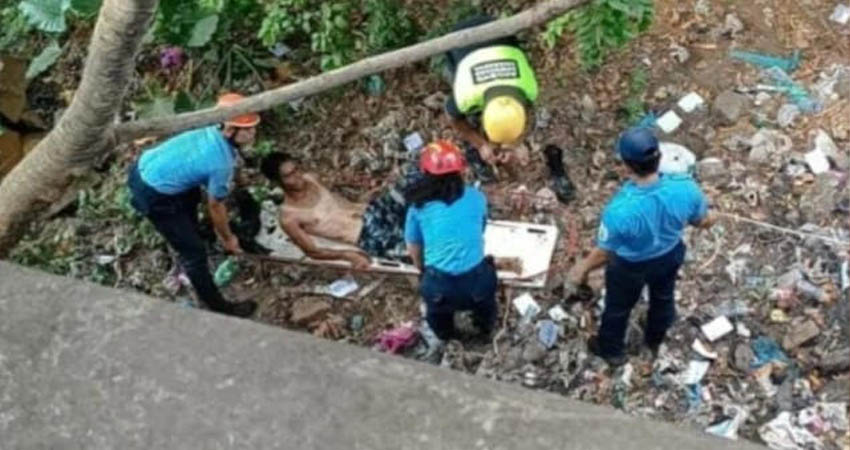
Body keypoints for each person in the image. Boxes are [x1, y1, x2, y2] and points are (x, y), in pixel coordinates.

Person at [566, 127, 716, 366]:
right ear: (659, 157)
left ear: (627, 166)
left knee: (617, 307)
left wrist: (582, 268)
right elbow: (701, 221)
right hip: (669, 255)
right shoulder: (686, 188)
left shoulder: (619, 210)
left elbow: (606, 251)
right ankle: (656, 336)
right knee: (663, 296)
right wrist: (711, 219)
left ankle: (612, 350)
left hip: (630, 266)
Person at [127, 93, 259, 317]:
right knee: (194, 254)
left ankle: (194, 230)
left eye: (253, 127)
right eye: (246, 129)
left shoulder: (207, 127)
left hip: (144, 166)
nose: (253, 133)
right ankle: (219, 306)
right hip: (154, 195)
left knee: (191, 197)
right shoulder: (220, 163)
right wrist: (228, 238)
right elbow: (216, 205)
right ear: (229, 130)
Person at [260, 152, 420, 269]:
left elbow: (336, 200)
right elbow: (313, 251)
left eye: (297, 170)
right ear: (277, 181)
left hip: (373, 211)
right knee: (416, 250)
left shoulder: (310, 178)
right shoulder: (289, 217)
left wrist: (362, 199)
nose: (298, 177)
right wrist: (349, 255)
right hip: (367, 235)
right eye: (289, 175)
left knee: (413, 178)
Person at [404, 140, 497, 342]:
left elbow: (414, 248)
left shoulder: (418, 207)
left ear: (426, 173)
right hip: (477, 284)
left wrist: (422, 271)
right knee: (487, 304)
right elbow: (480, 229)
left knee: (437, 316)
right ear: (460, 171)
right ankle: (484, 332)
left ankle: (448, 338)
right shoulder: (476, 197)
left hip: (440, 288)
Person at [443, 14, 538, 174]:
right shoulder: (466, 96)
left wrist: (515, 143)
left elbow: (529, 113)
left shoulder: (529, 89)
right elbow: (452, 117)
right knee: (452, 75)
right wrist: (481, 144)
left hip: (499, 28)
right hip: (461, 38)